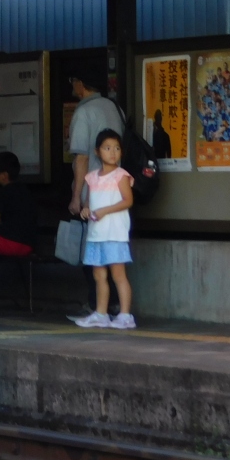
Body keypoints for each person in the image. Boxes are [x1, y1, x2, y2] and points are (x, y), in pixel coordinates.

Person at [72, 129, 136, 329]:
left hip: (114, 233)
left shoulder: (121, 175)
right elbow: (90, 203)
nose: (113, 152)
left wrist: (104, 211)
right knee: (99, 275)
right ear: (97, 152)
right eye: (107, 148)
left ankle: (125, 315)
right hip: (96, 234)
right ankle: (101, 313)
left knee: (118, 275)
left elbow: (128, 201)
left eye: (116, 148)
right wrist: (86, 210)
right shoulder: (91, 177)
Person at [66, 76, 124, 214]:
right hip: (116, 189)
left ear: (80, 84)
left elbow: (82, 158)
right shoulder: (115, 108)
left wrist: (75, 198)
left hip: (92, 195)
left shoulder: (83, 112)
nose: (72, 85)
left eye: (72, 82)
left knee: (93, 234)